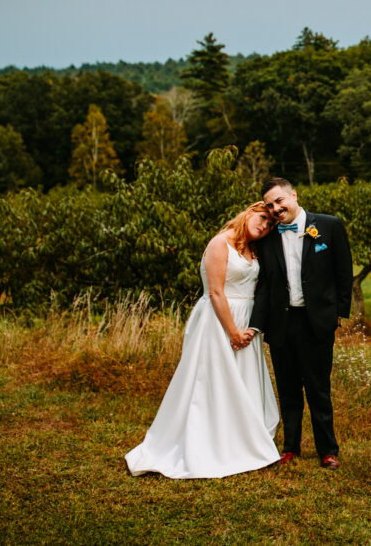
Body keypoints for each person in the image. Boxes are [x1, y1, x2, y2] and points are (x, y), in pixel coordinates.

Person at [124, 202, 281, 478]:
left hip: (246, 321)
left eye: (270, 225)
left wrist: (252, 327)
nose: (264, 226)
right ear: (250, 212)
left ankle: (241, 437)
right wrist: (233, 331)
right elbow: (216, 293)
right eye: (262, 218)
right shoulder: (220, 244)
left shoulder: (253, 249)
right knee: (213, 379)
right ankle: (208, 440)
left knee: (244, 379)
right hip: (219, 320)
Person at [251, 177, 353, 469]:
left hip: (317, 321)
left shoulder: (328, 226)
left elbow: (343, 272)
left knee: (319, 388)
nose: (276, 209)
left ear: (293, 195)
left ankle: (327, 450)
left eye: (279, 201)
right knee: (288, 388)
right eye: (270, 206)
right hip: (282, 322)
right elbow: (266, 284)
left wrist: (337, 314)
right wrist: (258, 324)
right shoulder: (268, 236)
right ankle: (290, 447)